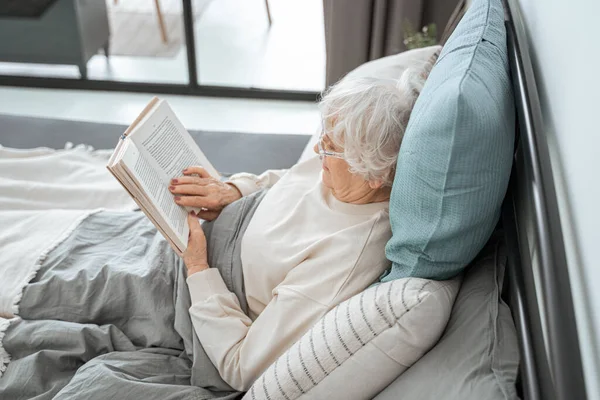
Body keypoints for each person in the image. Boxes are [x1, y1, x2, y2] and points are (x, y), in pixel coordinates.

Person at [168, 71, 425, 391]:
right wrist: (233, 191)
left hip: (194, 286)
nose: (318, 149)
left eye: (330, 148)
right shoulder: (344, 174)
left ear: (375, 174)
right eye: (323, 135)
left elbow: (242, 365)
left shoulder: (345, 255)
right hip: (199, 236)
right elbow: (288, 179)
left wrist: (196, 267)